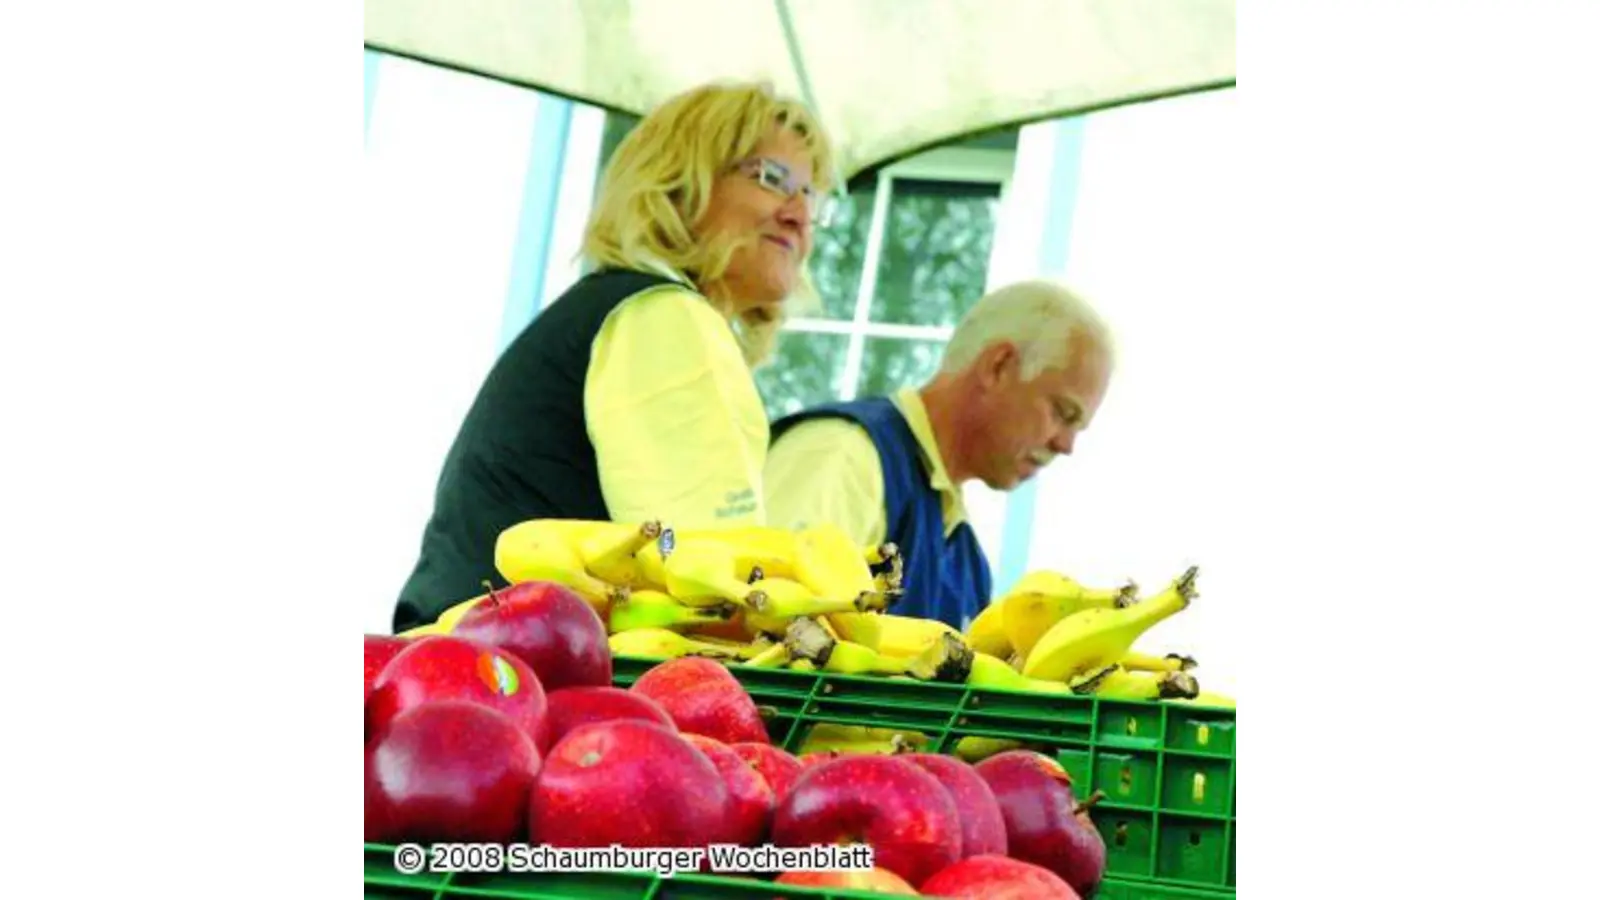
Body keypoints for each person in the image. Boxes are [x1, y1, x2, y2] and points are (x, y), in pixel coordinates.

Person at [392, 81, 838, 633]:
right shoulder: (663, 318)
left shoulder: (618, 310)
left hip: (469, 671)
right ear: (676, 182)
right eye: (772, 179)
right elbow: (708, 581)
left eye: (812, 197)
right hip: (514, 684)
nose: (799, 214)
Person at [764, 280, 1115, 629]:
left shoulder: (969, 564)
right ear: (999, 366)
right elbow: (763, 626)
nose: (1065, 446)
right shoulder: (843, 454)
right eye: (1063, 413)